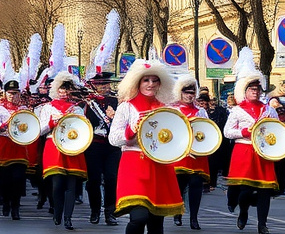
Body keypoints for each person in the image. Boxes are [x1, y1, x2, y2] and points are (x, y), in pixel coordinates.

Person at [108, 59, 183, 234]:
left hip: (159, 165)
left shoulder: (166, 108)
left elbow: (177, 138)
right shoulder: (126, 107)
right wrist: (132, 130)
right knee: (139, 217)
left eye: (154, 80)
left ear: (160, 83)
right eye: (146, 80)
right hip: (134, 164)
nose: (150, 84)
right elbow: (113, 138)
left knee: (156, 222)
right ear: (137, 82)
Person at [224, 57, 277, 234]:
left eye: (257, 89)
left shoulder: (269, 109)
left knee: (264, 191)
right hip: (244, 150)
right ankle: (244, 211)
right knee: (245, 190)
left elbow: (278, 130)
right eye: (251, 89)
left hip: (264, 152)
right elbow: (227, 132)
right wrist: (245, 131)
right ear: (245, 91)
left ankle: (262, 223)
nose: (255, 91)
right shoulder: (237, 110)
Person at [37, 72, 87, 230]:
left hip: (73, 147)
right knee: (57, 184)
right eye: (61, 89)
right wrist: (52, 122)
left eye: (67, 89)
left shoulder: (77, 109)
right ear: (56, 90)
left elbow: (84, 129)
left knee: (71, 185)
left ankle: (68, 218)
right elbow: (39, 130)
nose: (64, 92)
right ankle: (57, 212)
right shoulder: (47, 108)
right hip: (54, 146)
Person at [0, 80, 31, 220]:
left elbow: (30, 127)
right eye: (10, 93)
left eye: (15, 93)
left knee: (18, 178)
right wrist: (3, 125)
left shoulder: (24, 109)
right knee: (2, 179)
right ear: (5, 94)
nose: (12, 96)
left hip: (18, 146)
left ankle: (15, 206)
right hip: (2, 144)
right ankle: (5, 201)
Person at [170, 75, 208, 230]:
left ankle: (194, 218)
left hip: (196, 153)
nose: (189, 95)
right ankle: (178, 212)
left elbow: (206, 130)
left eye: (192, 92)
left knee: (196, 184)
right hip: (179, 153)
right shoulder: (173, 110)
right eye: (186, 92)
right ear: (180, 92)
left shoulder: (201, 112)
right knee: (179, 184)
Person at [82, 72, 120, 226]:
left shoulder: (117, 101)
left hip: (112, 146)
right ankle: (95, 210)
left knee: (111, 178)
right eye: (101, 85)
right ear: (95, 86)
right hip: (94, 145)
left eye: (106, 84)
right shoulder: (87, 103)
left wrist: (114, 116)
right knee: (94, 180)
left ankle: (110, 212)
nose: (105, 87)